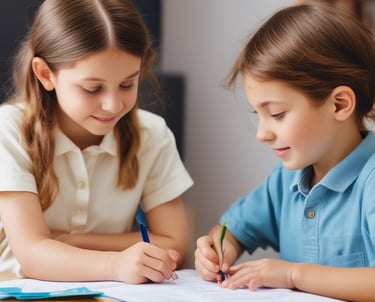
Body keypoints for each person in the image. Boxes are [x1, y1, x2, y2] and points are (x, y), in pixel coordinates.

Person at [0, 0, 193, 284]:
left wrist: (72, 240)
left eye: (127, 84)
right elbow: (32, 255)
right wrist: (115, 264)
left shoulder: (153, 135)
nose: (113, 105)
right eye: (93, 88)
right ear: (45, 74)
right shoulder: (10, 128)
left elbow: (175, 246)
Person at [195, 3, 375, 302]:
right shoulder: (286, 179)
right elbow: (231, 230)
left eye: (277, 114)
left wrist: (292, 275)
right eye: (258, 114)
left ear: (339, 104)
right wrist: (218, 249)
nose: (261, 134)